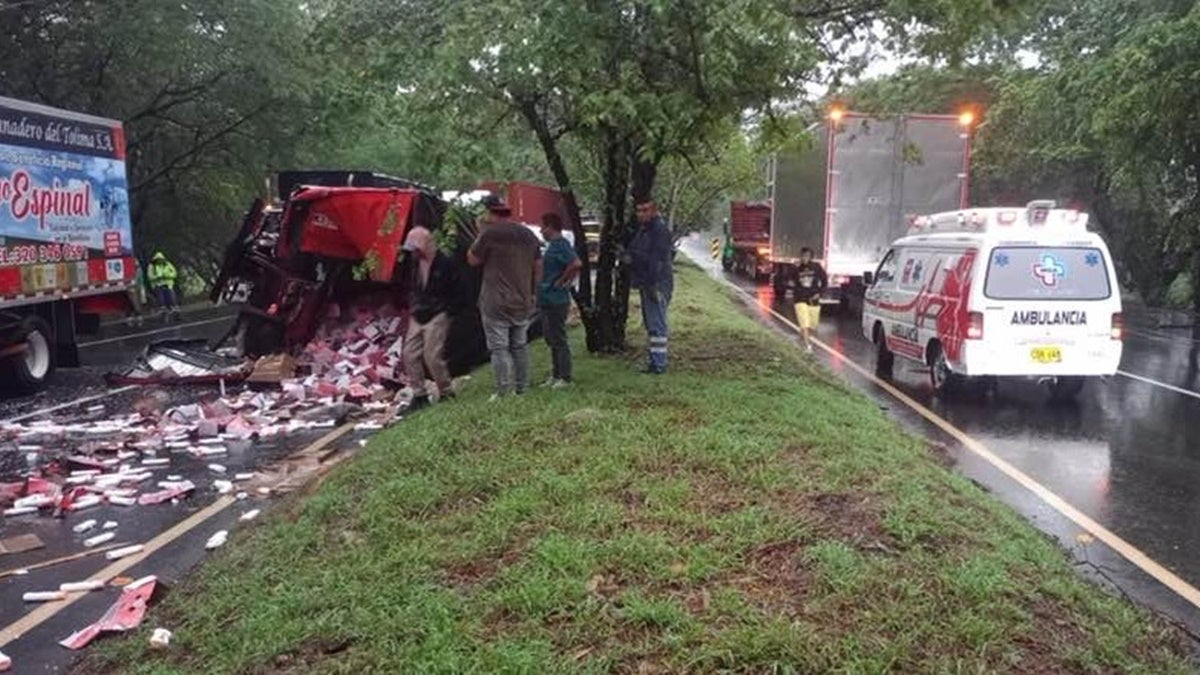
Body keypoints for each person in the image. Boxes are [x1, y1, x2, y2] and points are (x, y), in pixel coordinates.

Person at [467, 195, 542, 400]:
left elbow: (472, 259)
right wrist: (533, 293)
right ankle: (522, 389)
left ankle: (503, 392)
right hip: (522, 299)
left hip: (496, 300)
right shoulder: (527, 234)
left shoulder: (490, 234)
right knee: (519, 345)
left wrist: (480, 232)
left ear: (489, 213)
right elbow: (538, 266)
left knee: (499, 348)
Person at [401, 226, 460, 411]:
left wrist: (448, 312)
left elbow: (457, 291)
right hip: (419, 311)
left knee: (432, 355)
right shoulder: (415, 263)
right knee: (409, 353)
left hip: (438, 312)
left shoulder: (446, 263)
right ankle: (419, 394)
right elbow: (413, 286)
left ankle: (446, 390)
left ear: (425, 245)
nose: (413, 253)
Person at [628, 199, 674, 374]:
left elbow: (657, 260)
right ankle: (654, 361)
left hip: (657, 282)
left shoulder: (659, 231)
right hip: (648, 281)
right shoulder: (644, 230)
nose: (641, 214)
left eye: (645, 210)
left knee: (657, 324)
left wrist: (653, 285)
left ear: (654, 211)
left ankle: (659, 364)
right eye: (639, 210)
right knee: (651, 324)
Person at [538, 213, 582, 388]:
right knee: (550, 337)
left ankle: (565, 376)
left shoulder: (561, 245)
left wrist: (563, 279)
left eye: (543, 227)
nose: (541, 231)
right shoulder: (552, 246)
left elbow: (576, 263)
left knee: (558, 337)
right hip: (546, 297)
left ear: (550, 227)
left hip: (556, 298)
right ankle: (555, 374)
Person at [793, 247, 828, 351]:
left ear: (810, 257)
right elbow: (789, 279)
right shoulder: (797, 268)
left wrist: (820, 293)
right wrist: (793, 268)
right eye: (803, 256)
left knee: (812, 325)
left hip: (813, 299)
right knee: (804, 323)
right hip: (800, 299)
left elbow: (824, 281)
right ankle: (808, 347)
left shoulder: (816, 267)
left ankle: (803, 336)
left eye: (807, 256)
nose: (804, 258)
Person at [146, 251, 179, 320]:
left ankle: (174, 309)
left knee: (171, 294)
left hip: (168, 284)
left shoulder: (167, 264)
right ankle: (163, 309)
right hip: (157, 285)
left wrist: (167, 276)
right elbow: (150, 276)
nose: (160, 261)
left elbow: (174, 273)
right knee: (160, 296)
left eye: (161, 259)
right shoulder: (152, 266)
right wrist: (157, 277)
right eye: (158, 260)